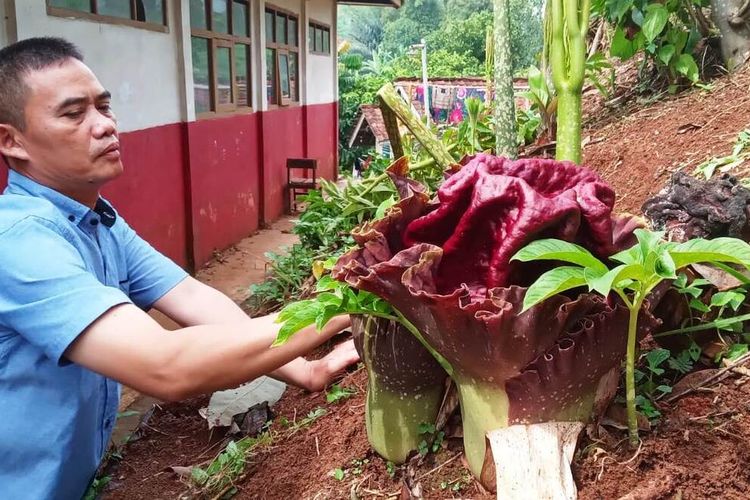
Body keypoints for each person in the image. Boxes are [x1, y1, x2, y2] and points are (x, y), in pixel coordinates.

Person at [0, 37, 358, 499]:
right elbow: (166, 368)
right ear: (11, 140)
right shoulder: (19, 241)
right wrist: (348, 300)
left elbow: (193, 299)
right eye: (74, 113)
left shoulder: (97, 222)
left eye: (104, 106)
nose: (105, 125)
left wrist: (304, 371)